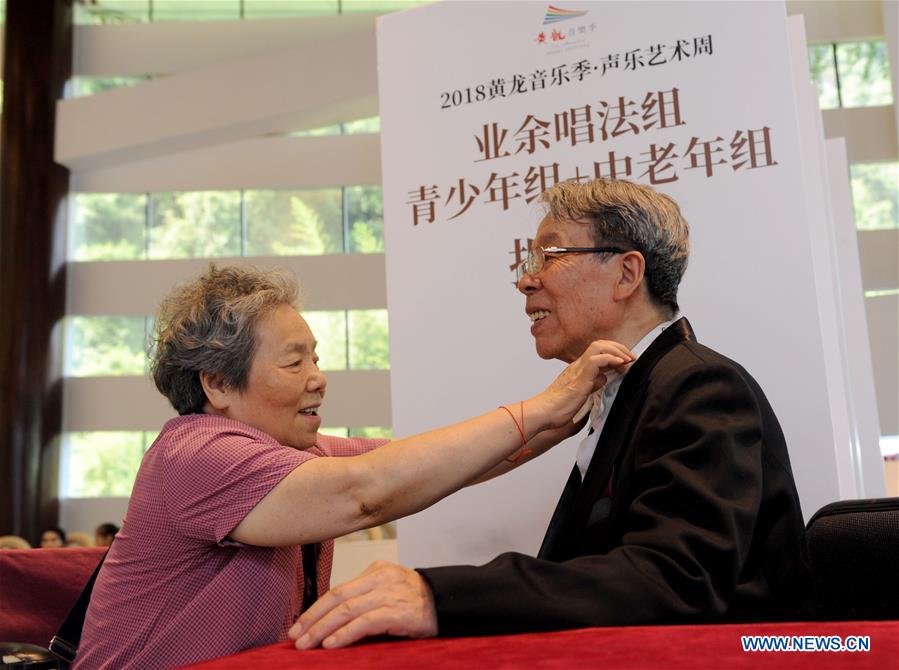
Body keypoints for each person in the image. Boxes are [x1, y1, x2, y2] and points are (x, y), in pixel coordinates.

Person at [291, 178, 810, 649]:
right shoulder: (629, 389)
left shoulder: (699, 385)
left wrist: (440, 597)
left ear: (627, 273)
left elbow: (675, 579)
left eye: (550, 256)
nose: (527, 281)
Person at [74, 265, 625, 669]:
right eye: (294, 362)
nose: (318, 378)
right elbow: (367, 493)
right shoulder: (196, 454)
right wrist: (546, 404)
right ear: (217, 384)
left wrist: (573, 412)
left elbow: (438, 466)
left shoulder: (295, 456)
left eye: (314, 357)